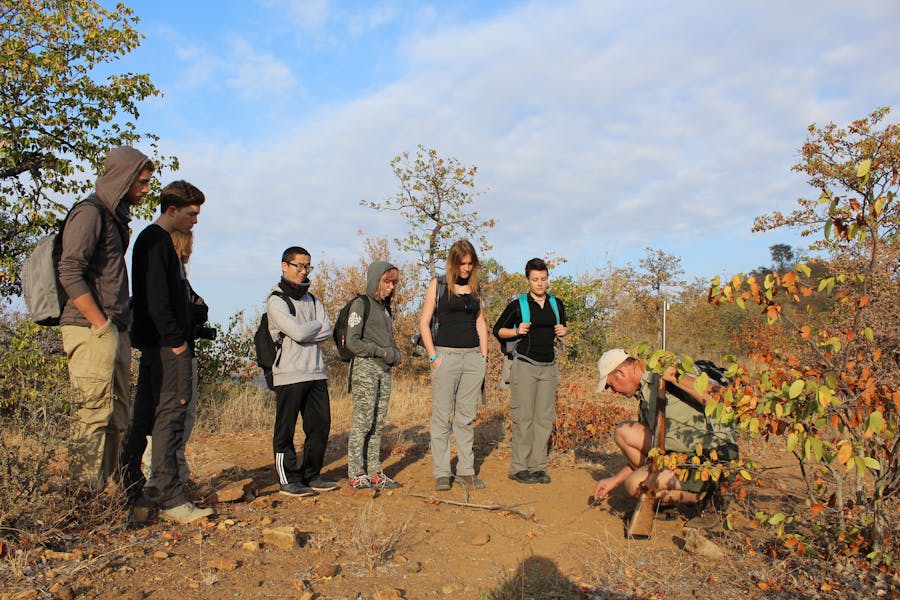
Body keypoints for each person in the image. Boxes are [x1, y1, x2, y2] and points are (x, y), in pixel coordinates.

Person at [57, 146, 154, 494]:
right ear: (123, 178)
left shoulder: (114, 217)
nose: (145, 189)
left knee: (117, 416)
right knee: (94, 413)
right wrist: (100, 324)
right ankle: (85, 496)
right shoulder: (89, 212)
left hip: (114, 327)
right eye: (141, 182)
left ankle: (108, 495)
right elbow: (69, 270)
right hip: (91, 328)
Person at [120, 180, 213, 524]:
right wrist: (177, 341)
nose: (196, 221)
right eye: (191, 213)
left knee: (145, 415)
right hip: (165, 347)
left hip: (155, 345)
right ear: (172, 210)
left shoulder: (152, 241)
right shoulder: (155, 240)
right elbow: (156, 299)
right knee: (170, 418)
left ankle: (131, 486)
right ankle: (170, 497)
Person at [593, 349, 738, 506]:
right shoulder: (644, 391)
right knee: (624, 432)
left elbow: (722, 398)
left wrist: (676, 378)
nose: (613, 392)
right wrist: (615, 480)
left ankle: (709, 496)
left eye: (610, 385)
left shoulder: (669, 369)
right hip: (680, 456)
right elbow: (655, 449)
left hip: (711, 457)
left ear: (620, 373)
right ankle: (670, 490)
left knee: (635, 485)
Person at [142, 230, 214, 488]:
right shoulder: (169, 276)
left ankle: (178, 475)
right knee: (170, 417)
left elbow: (200, 308)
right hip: (172, 354)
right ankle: (159, 477)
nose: (191, 251)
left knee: (185, 418)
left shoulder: (182, 279)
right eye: (189, 245)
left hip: (185, 353)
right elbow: (191, 309)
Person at [418, 240, 489, 491]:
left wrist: (483, 356)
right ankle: (441, 473)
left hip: (472, 358)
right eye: (462, 263)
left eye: (470, 264)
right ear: (453, 262)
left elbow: (481, 323)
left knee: (465, 418)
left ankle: (467, 472)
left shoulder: (476, 288)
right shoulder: (438, 285)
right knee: (441, 417)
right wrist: (433, 357)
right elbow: (424, 323)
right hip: (445, 357)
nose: (467, 268)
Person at [266, 247, 336, 497]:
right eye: (298, 265)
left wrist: (309, 328)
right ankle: (288, 479)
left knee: (320, 427)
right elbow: (297, 333)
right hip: (289, 373)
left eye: (307, 266)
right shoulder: (276, 300)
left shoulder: (314, 300)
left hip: (316, 372)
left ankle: (311, 475)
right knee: (285, 429)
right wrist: (314, 326)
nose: (303, 271)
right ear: (284, 266)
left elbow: (328, 331)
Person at [492, 258, 567, 484]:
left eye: (543, 279)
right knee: (523, 417)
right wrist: (516, 331)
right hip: (524, 364)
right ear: (528, 280)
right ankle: (518, 468)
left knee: (544, 419)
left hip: (549, 366)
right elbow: (498, 330)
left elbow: (561, 328)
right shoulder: (518, 304)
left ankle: (538, 468)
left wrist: (563, 331)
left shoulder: (557, 304)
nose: (540, 283)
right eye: (535, 279)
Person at [345, 261, 403, 491]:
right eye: (387, 281)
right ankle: (356, 472)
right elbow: (353, 342)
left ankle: (374, 471)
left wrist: (395, 355)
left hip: (384, 370)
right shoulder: (361, 304)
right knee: (363, 421)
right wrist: (381, 353)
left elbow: (388, 341)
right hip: (365, 368)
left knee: (378, 423)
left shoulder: (385, 308)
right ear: (376, 280)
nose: (391, 287)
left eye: (394, 282)